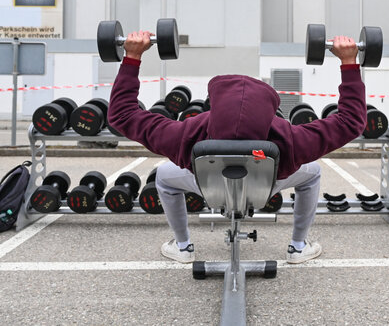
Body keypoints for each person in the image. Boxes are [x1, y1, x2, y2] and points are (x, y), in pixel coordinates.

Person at [107, 31, 367, 264]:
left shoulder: (190, 131)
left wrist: (132, 56)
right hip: (264, 189)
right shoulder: (287, 136)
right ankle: (298, 247)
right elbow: (351, 121)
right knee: (313, 172)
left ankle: (183, 246)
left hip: (208, 188)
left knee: (164, 176)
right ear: (267, 106)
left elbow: (122, 114)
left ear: (216, 101)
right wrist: (349, 62)